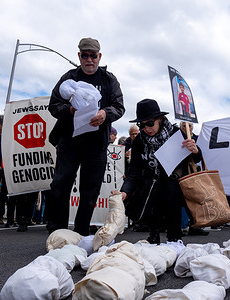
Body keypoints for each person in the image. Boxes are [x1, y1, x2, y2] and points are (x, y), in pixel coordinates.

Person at [47, 37, 125, 235]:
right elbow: (54, 105)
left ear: (99, 56)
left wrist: (105, 114)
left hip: (96, 143)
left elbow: (119, 106)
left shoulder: (109, 79)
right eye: (85, 55)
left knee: (90, 191)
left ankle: (80, 233)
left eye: (93, 56)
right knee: (60, 185)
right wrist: (70, 110)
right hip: (69, 140)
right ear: (79, 56)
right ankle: (58, 232)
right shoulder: (68, 77)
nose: (89, 60)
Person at [117, 99, 201, 244]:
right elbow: (134, 171)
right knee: (151, 200)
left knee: (171, 197)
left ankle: (175, 238)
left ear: (160, 119)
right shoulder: (139, 141)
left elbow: (196, 159)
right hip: (150, 183)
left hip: (174, 182)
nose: (146, 128)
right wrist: (124, 191)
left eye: (150, 123)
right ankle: (153, 235)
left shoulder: (176, 134)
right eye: (141, 125)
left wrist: (195, 150)